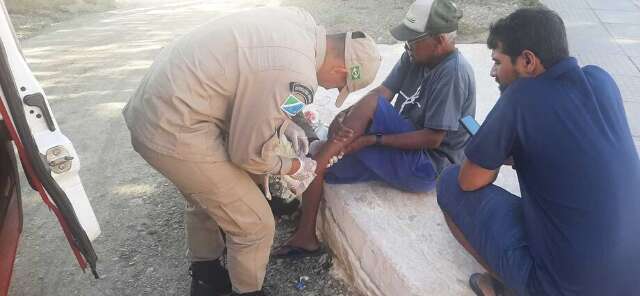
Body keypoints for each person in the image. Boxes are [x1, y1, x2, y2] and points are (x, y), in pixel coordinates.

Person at [122, 7, 381, 296]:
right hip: (175, 127)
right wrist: (296, 167)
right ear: (341, 70)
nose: (332, 91)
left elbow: (262, 85)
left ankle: (207, 279)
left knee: (209, 197)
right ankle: (245, 291)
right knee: (255, 225)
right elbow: (249, 155)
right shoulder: (299, 75)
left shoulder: (300, 24)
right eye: (339, 88)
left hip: (158, 105)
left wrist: (289, 123)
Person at [436, 7, 640, 296]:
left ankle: (509, 287)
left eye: (498, 62)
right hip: (633, 279)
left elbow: (470, 181)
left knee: (448, 183)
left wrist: (496, 149)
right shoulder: (602, 79)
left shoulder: (520, 96)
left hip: (564, 288)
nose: (493, 72)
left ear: (528, 61)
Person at [273, 0, 476, 258]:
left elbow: (433, 139)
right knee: (327, 166)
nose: (408, 47)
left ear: (438, 41)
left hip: (427, 164)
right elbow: (384, 91)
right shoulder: (414, 56)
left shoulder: (453, 73)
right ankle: (306, 236)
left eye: (413, 41)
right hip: (398, 143)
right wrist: (347, 113)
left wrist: (372, 140)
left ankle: (314, 167)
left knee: (329, 152)